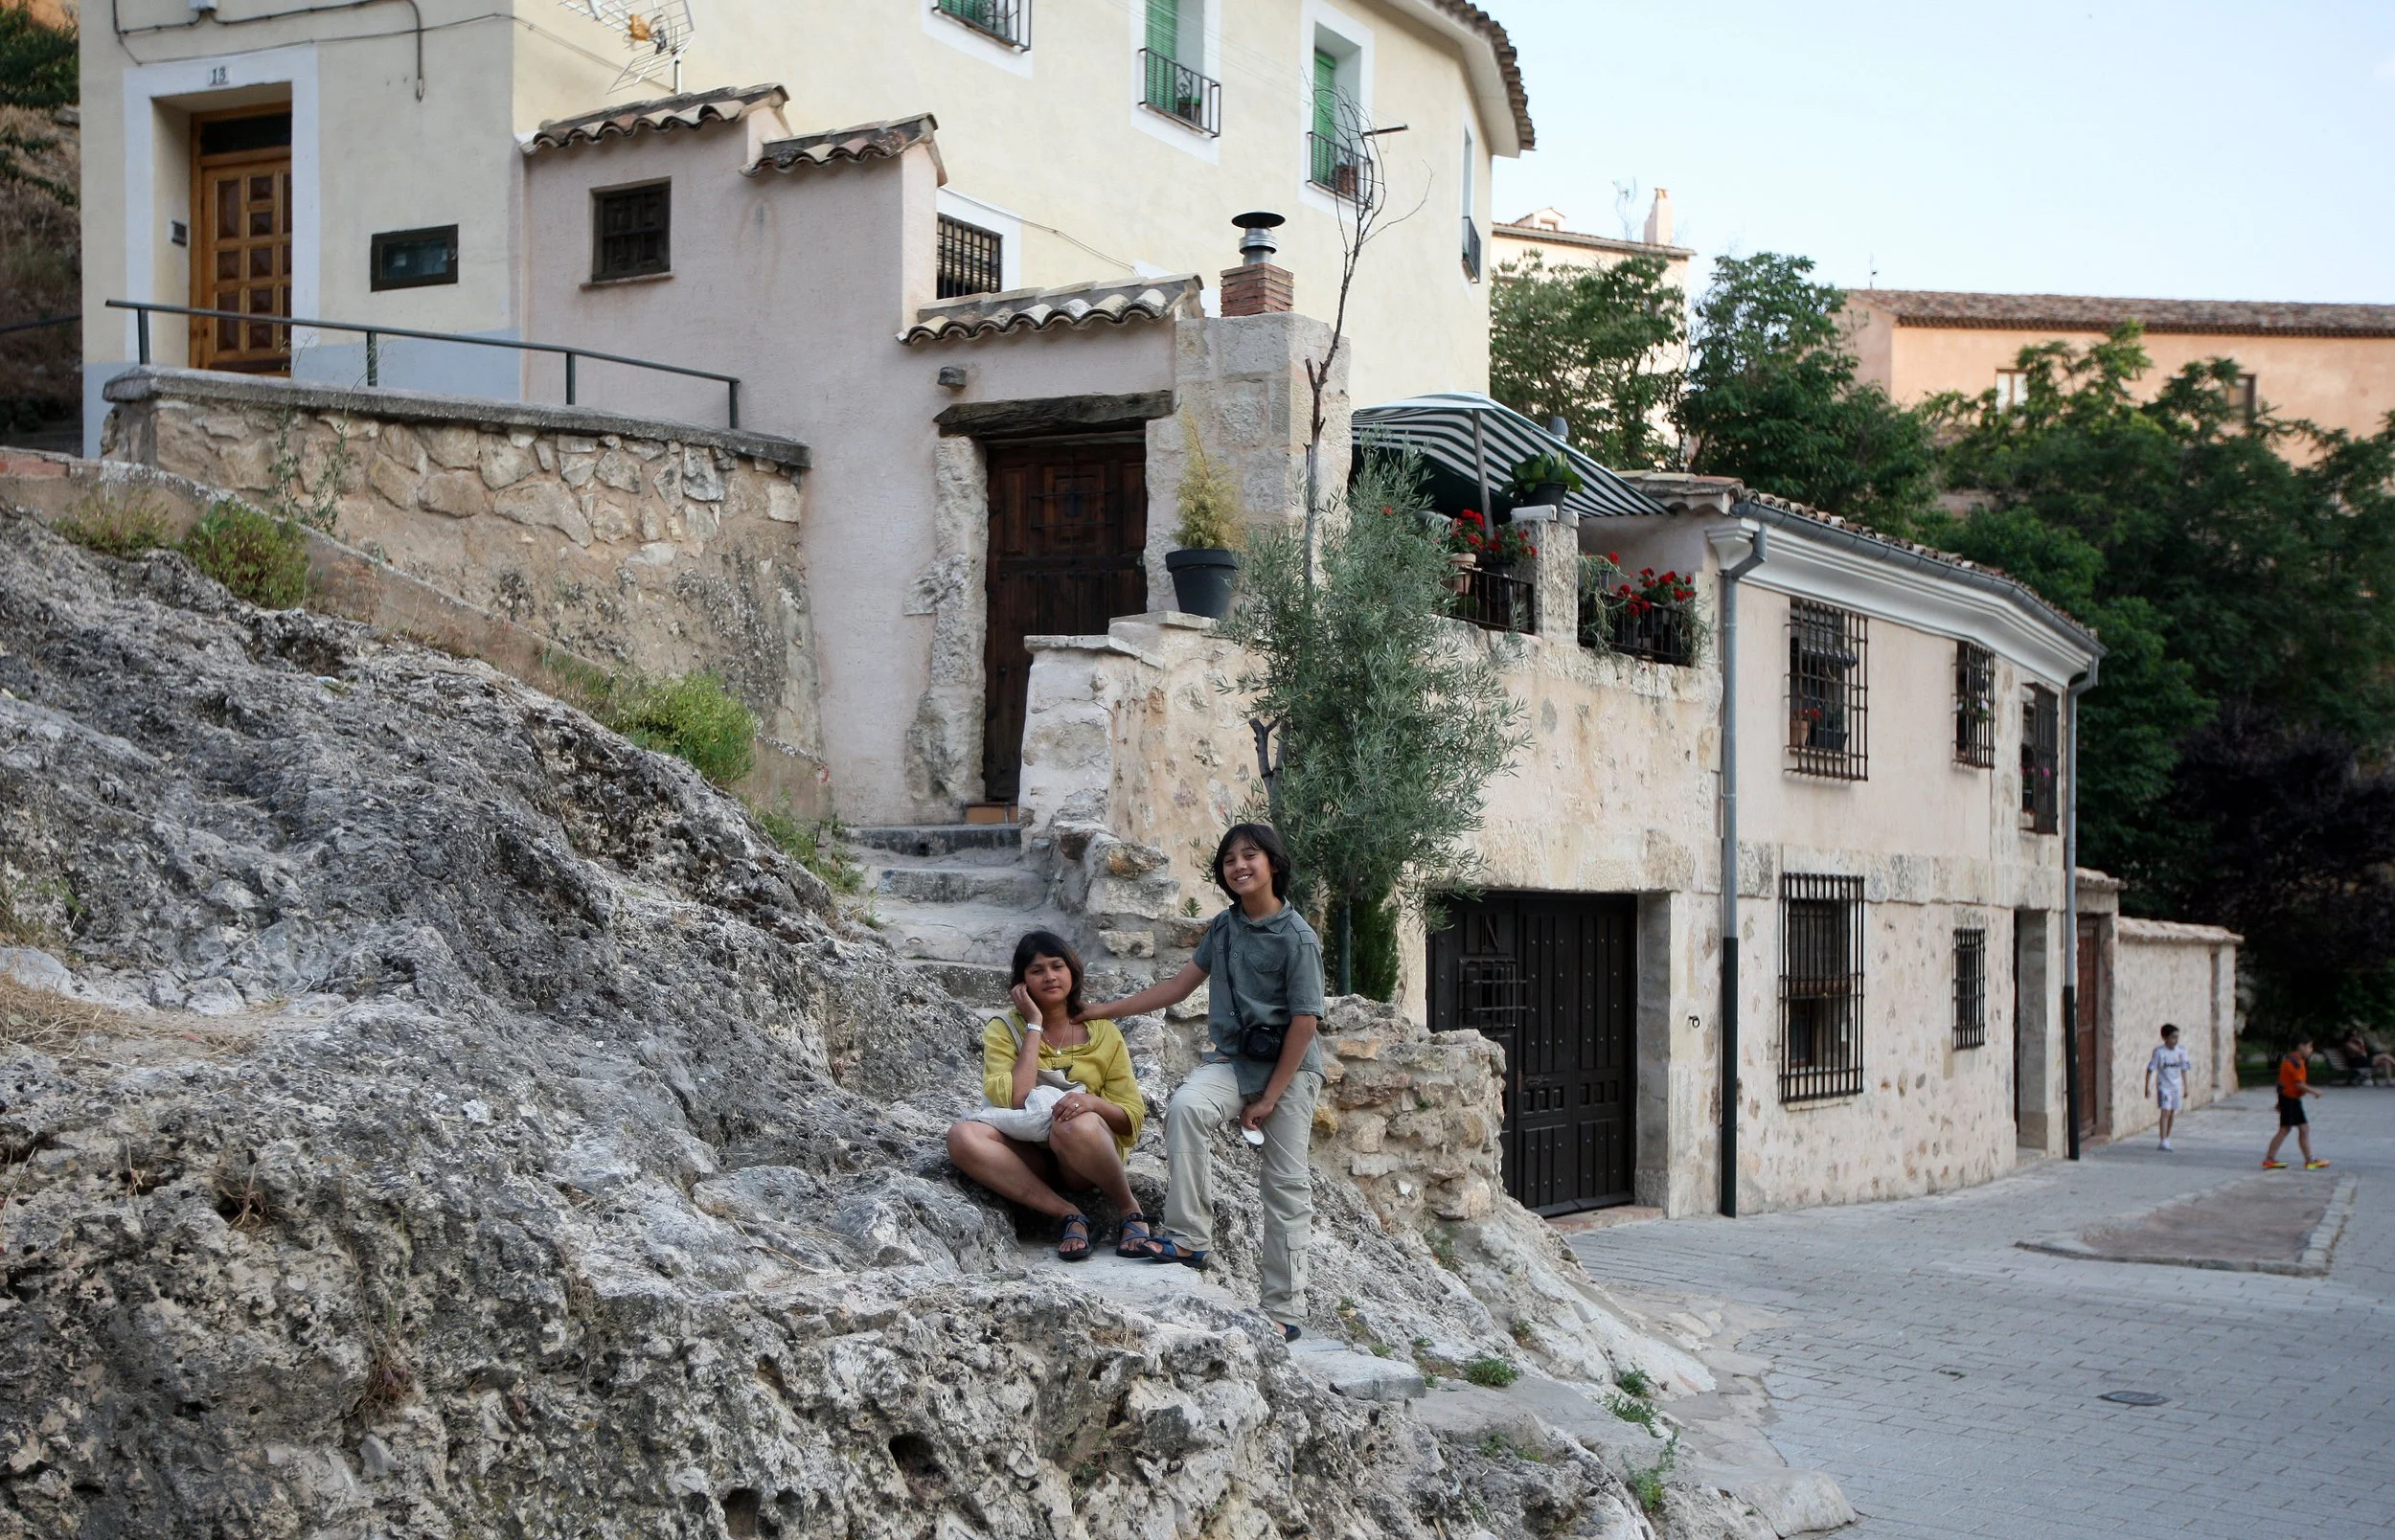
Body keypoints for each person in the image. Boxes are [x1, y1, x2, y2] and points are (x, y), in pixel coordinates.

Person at [1069, 823, 1326, 1341]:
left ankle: (1284, 1311)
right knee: (1187, 1106)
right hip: (1234, 1062)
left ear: (1273, 864)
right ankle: (1188, 1238)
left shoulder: (1299, 937)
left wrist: (1270, 1097)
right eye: (1230, 860)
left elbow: (1305, 1023)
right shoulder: (1224, 928)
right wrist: (1101, 1011)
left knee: (1285, 1186)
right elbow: (1177, 987)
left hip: (1291, 1071)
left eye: (1250, 856)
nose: (1239, 867)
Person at [945, 931, 1149, 1261]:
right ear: (1022, 982)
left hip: (1084, 1155)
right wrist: (1034, 1025)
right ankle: (1070, 1215)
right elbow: (1016, 1098)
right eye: (1037, 970)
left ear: (1073, 971)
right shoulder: (1003, 1029)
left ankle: (1130, 1210)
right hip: (1030, 1156)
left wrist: (1092, 1103)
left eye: (1057, 966)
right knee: (961, 1136)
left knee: (1073, 1123)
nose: (1050, 976)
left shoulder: (1104, 1033)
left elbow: (1131, 1120)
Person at [2262, 1035, 2328, 1171]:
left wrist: (2279, 1101)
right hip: (2290, 1099)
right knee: (2285, 1129)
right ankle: (2269, 1160)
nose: (2311, 1049)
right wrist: (2314, 1092)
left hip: (2290, 1099)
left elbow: (2283, 1083)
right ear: (2300, 1046)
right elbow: (2298, 1084)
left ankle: (2309, 1160)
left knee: (2303, 1129)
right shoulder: (2293, 1063)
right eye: (2309, 1046)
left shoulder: (2294, 1061)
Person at [2143, 1024, 2193, 1150]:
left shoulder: (2181, 1051)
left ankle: (2167, 1137)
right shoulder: (2159, 1052)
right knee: (2165, 1111)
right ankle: (2163, 1140)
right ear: (2165, 1038)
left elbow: (2184, 1069)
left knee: (2171, 1112)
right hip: (2164, 1086)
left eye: (2177, 1037)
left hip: (2176, 1086)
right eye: (2173, 1037)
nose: (2175, 1040)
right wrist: (2147, 1087)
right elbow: (2150, 1069)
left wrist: (2186, 1087)